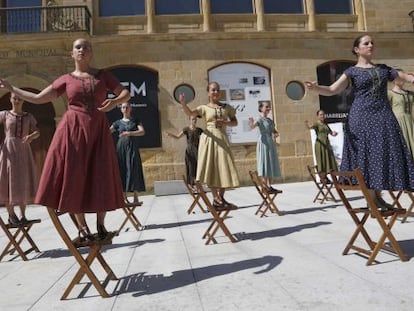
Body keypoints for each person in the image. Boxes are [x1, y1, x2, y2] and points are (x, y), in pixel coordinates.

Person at [0, 38, 130, 241]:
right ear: (72, 53)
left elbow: (125, 92)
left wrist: (115, 102)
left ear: (91, 52)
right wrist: (13, 89)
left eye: (86, 47)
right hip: (73, 129)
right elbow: (38, 98)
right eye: (78, 47)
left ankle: (101, 226)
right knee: (74, 174)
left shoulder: (103, 75)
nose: (82, 50)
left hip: (97, 129)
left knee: (100, 172)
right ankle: (83, 229)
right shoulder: (66, 79)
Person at [305, 34, 414, 210]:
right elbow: (333, 90)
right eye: (366, 43)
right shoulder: (352, 72)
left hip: (383, 117)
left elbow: (407, 77)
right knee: (366, 155)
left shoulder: (384, 69)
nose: (370, 45)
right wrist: (315, 88)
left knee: (381, 154)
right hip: (361, 117)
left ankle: (378, 197)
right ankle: (372, 199)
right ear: (357, 49)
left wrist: (410, 78)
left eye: (372, 43)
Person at [180, 81, 240, 209]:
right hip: (209, 139)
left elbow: (235, 122)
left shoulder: (226, 107)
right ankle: (216, 198)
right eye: (213, 90)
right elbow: (191, 114)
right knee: (211, 167)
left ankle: (221, 198)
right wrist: (183, 104)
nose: (215, 92)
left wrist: (225, 122)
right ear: (208, 92)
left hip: (222, 138)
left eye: (217, 90)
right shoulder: (204, 108)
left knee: (224, 167)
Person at [0, 92, 40, 225]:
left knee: (23, 180)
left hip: (24, 149)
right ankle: (11, 215)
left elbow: (37, 132)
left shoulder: (29, 116)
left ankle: (23, 215)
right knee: (7, 179)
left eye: (20, 99)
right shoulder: (5, 114)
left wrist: (31, 136)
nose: (17, 100)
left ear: (23, 101)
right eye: (14, 98)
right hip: (9, 151)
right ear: (10, 99)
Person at [110, 102, 145, 204]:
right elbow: (108, 132)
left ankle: (135, 196)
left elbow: (142, 131)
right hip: (121, 149)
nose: (125, 109)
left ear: (130, 109)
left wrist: (129, 133)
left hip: (132, 147)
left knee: (134, 168)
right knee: (122, 169)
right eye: (123, 107)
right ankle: (123, 197)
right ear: (121, 109)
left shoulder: (135, 120)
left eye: (127, 107)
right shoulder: (117, 123)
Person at [248, 100, 282, 192]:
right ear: (261, 108)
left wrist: (275, 134)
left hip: (270, 142)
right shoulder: (259, 119)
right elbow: (252, 127)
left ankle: (269, 185)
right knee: (264, 162)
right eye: (266, 107)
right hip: (263, 143)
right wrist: (251, 122)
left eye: (269, 107)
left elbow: (274, 131)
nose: (268, 108)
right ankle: (264, 186)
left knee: (270, 163)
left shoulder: (270, 120)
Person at [164, 115, 203, 189]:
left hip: (198, 150)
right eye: (192, 119)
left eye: (195, 119)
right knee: (190, 167)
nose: (194, 121)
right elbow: (178, 137)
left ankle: (198, 185)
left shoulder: (199, 130)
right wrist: (170, 134)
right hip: (190, 150)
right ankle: (192, 185)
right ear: (190, 120)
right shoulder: (186, 129)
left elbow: (205, 138)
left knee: (198, 167)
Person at [304, 110, 338, 183]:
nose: (322, 116)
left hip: (326, 144)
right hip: (320, 145)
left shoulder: (325, 124)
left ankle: (329, 177)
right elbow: (310, 127)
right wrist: (306, 124)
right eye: (320, 115)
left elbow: (331, 132)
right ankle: (323, 178)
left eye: (323, 114)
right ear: (318, 116)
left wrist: (334, 133)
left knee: (329, 160)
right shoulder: (317, 124)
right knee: (321, 160)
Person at [388, 69, 414, 158]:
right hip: (398, 122)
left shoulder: (410, 93)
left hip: (410, 122)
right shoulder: (390, 93)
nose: (401, 79)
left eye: (403, 77)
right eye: (398, 77)